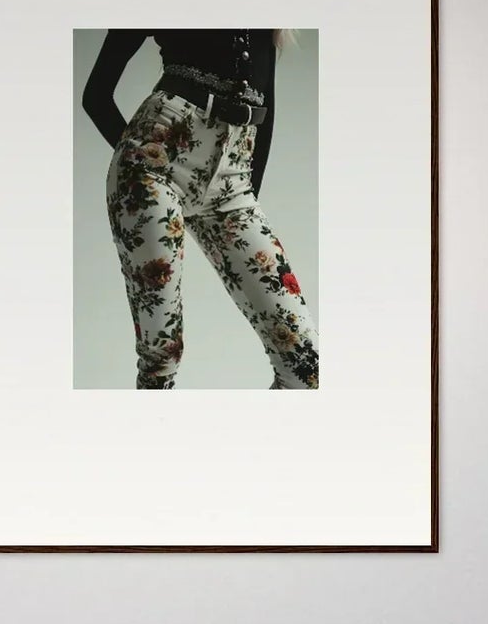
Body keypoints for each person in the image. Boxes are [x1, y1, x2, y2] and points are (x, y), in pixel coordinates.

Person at [82, 29, 319, 390]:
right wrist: (141, 162)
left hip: (233, 180)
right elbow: (96, 94)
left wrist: (244, 193)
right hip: (154, 165)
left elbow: (265, 107)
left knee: (304, 361)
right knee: (162, 355)